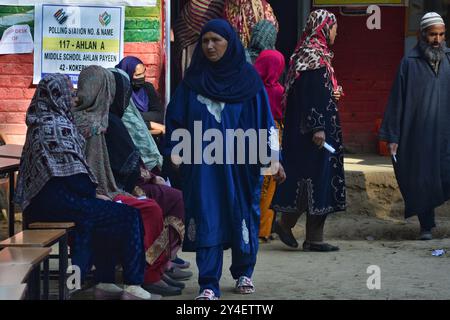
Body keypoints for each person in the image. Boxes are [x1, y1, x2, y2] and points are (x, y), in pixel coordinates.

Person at [164, 19, 286, 300]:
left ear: (230, 43)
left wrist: (274, 158)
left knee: (242, 212)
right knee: (207, 214)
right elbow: (175, 119)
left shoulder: (249, 81)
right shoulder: (192, 82)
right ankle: (208, 283)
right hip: (203, 165)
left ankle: (244, 270)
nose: (209, 46)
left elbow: (265, 122)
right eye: (205, 41)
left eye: (215, 40)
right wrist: (175, 151)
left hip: (242, 163)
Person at [15, 74, 156, 300]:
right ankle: (132, 284)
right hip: (60, 203)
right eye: (68, 94)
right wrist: (95, 194)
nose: (73, 99)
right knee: (128, 216)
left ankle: (105, 282)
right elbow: (72, 178)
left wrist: (92, 195)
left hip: (42, 204)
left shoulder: (38, 122)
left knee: (103, 217)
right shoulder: (58, 126)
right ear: (56, 97)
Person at [73, 65, 181, 297]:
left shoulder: (95, 119)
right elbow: (102, 171)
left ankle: (155, 269)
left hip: (99, 189)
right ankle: (144, 276)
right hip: (94, 193)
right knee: (146, 209)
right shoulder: (96, 124)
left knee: (148, 204)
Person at [105, 69, 190, 285]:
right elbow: (123, 165)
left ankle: (164, 263)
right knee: (164, 202)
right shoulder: (109, 121)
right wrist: (150, 177)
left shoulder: (120, 115)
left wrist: (150, 175)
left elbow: (157, 114)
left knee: (174, 197)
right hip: (123, 185)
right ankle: (153, 268)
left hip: (136, 177)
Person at [271, 9, 345, 252]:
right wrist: (318, 127)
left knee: (317, 180)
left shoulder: (315, 55)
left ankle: (312, 236)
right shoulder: (313, 56)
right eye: (333, 27)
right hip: (313, 134)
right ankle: (289, 224)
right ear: (323, 27)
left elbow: (318, 91)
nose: (336, 32)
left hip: (314, 131)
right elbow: (310, 96)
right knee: (314, 179)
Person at [380, 12, 450, 241]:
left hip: (445, 132)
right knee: (422, 178)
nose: (437, 39)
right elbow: (397, 100)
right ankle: (426, 226)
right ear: (423, 35)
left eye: (441, 34)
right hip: (419, 134)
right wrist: (393, 136)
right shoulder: (409, 64)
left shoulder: (449, 60)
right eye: (432, 35)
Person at [253, 49, 285, 242]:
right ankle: (262, 230)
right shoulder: (278, 91)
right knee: (268, 186)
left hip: (250, 136)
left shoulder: (250, 89)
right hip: (272, 135)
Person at [115, 56, 165, 133]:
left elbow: (159, 115)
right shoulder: (119, 92)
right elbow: (123, 120)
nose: (143, 76)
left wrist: (134, 116)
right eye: (138, 75)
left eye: (144, 72)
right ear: (127, 74)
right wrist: (151, 124)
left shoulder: (148, 88)